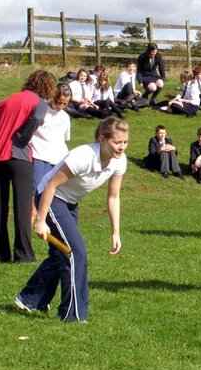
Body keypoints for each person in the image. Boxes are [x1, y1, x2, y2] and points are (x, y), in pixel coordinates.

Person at [13, 117, 129, 321]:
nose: (121, 147)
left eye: (125, 142)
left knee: (61, 254)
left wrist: (115, 232)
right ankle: (73, 315)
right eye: (117, 142)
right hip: (51, 199)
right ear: (102, 139)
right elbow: (50, 186)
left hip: (70, 203)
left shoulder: (120, 162)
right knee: (75, 253)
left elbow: (114, 197)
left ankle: (30, 298)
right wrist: (40, 220)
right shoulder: (83, 156)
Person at [0, 70, 55, 263]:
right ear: (47, 87)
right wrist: (22, 137)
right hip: (18, 156)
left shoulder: (11, 99)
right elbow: (38, 119)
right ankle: (24, 254)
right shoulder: (38, 102)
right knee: (22, 206)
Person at [30, 83, 72, 219]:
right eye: (58, 102)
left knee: (56, 194)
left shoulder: (65, 117)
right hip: (40, 157)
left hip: (58, 159)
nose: (60, 106)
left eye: (65, 104)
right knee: (34, 194)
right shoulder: (41, 111)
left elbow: (64, 139)